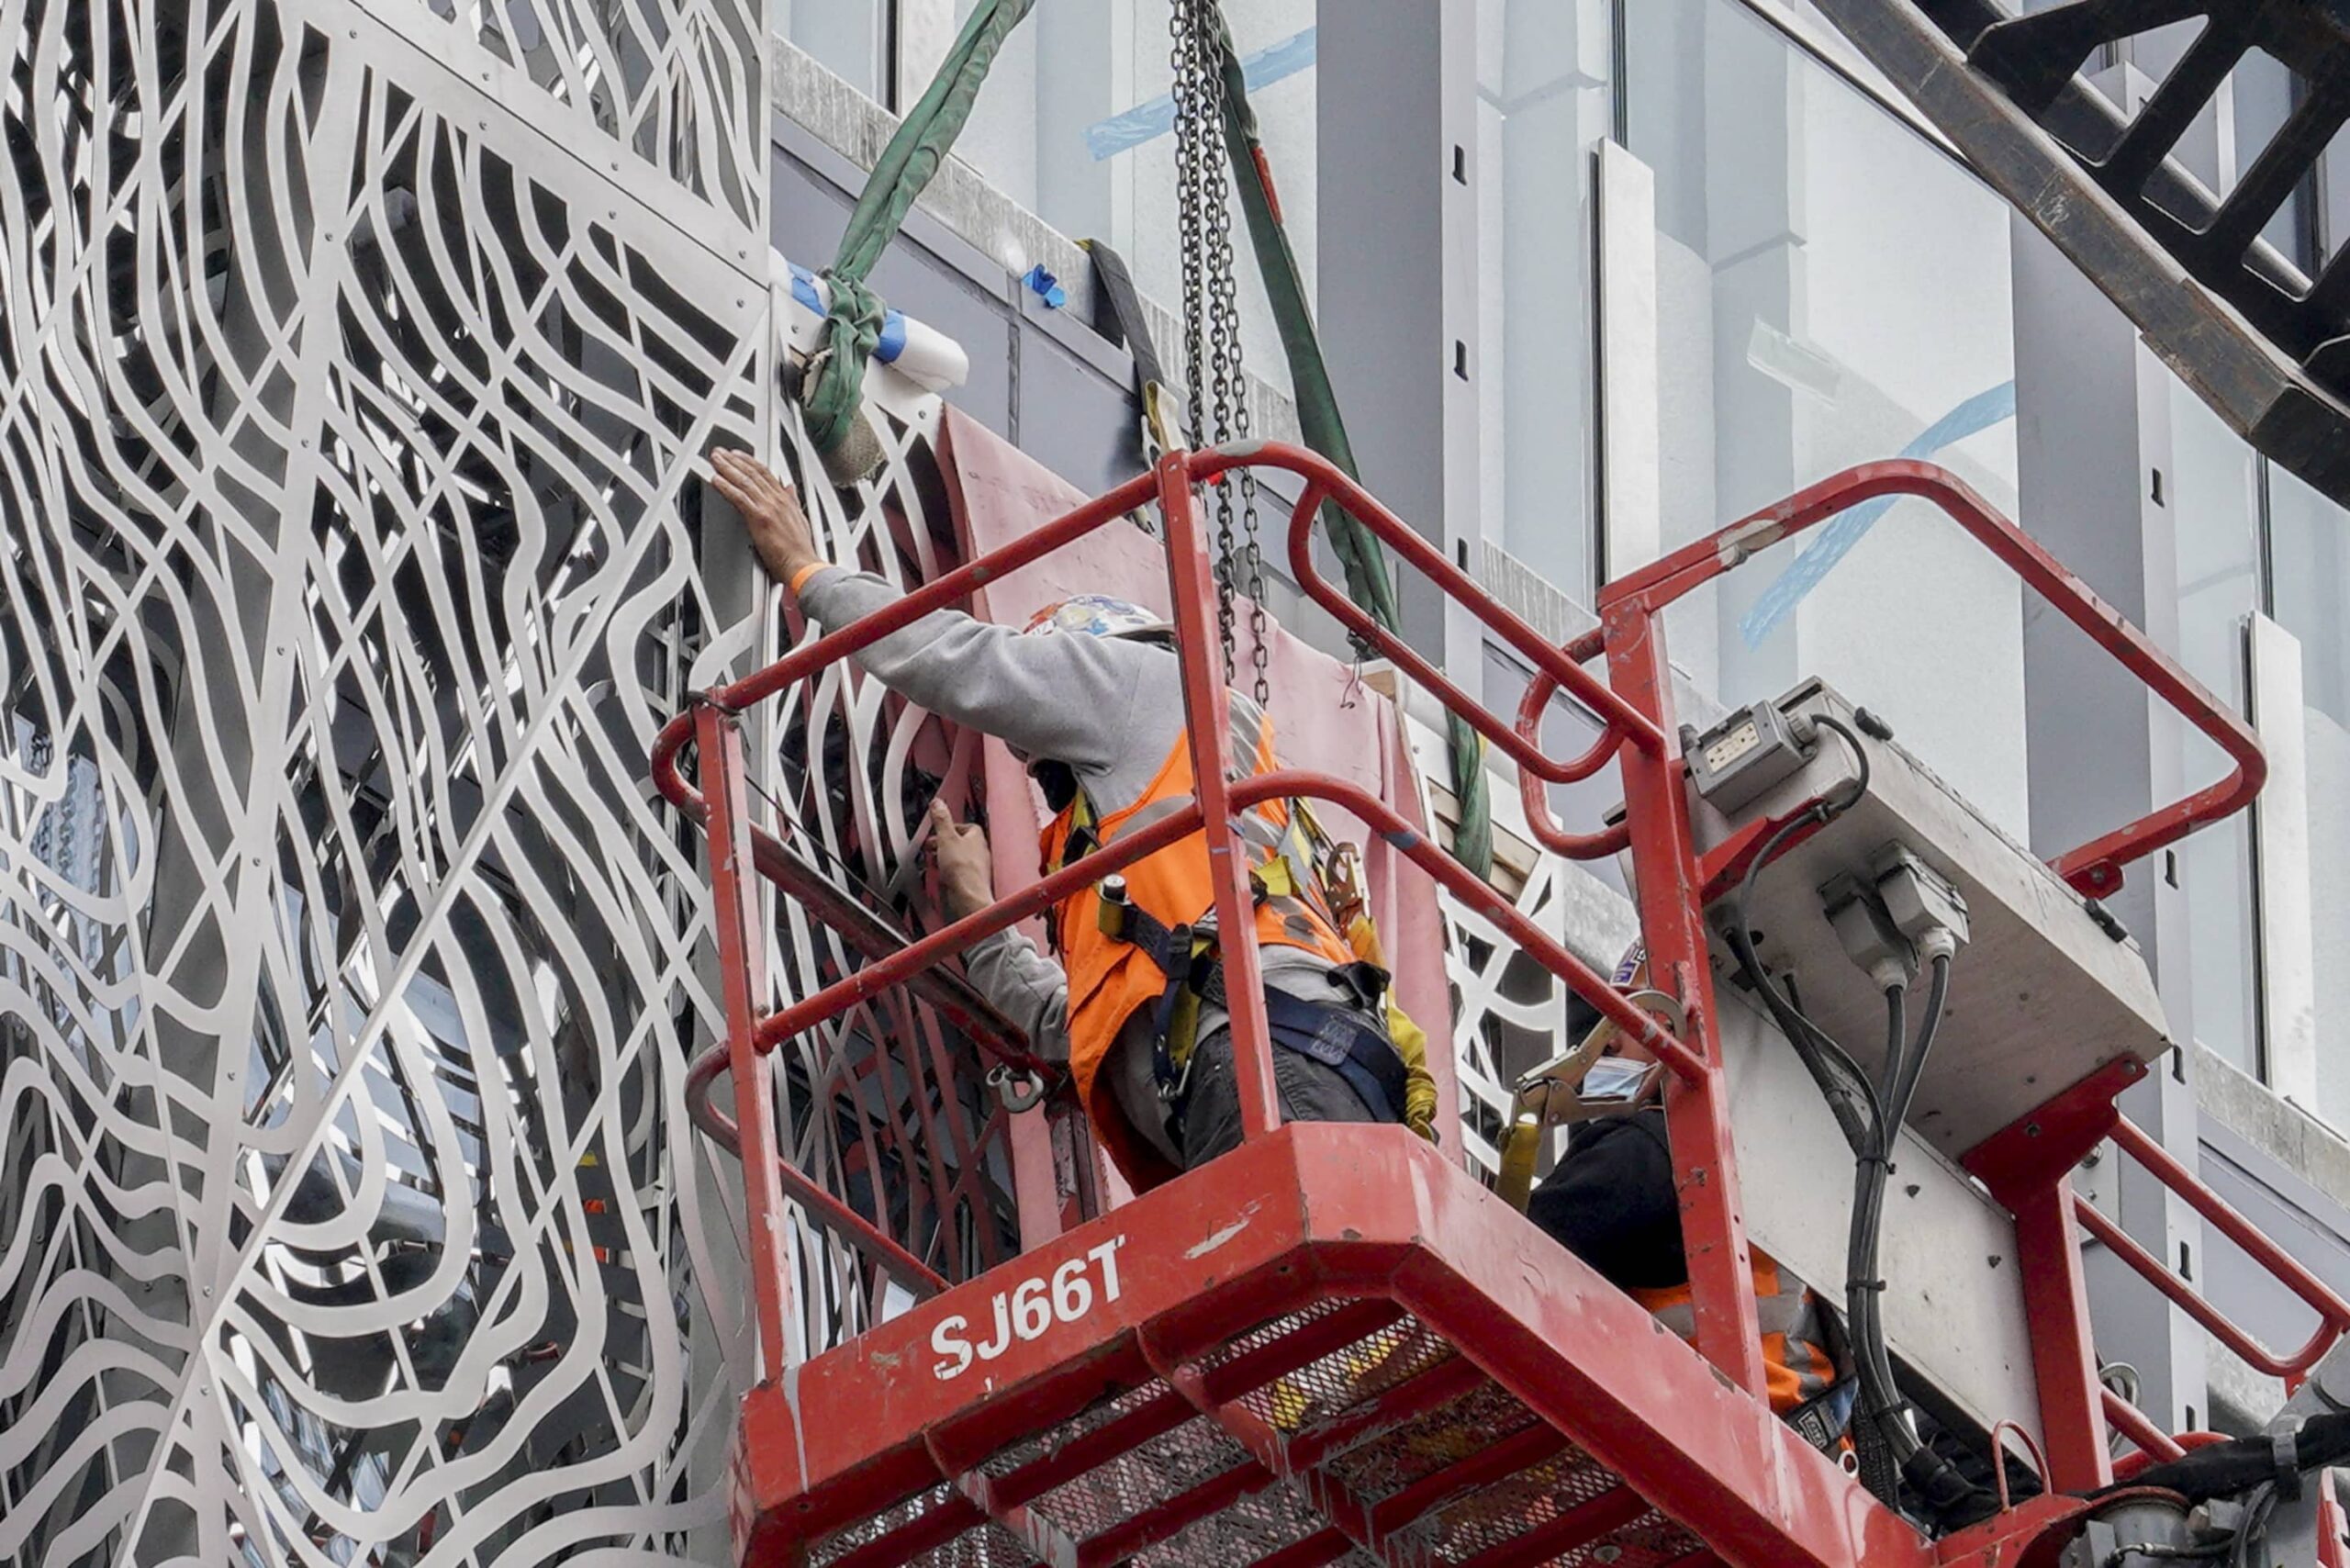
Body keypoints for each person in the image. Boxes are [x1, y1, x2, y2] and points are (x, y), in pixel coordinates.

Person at [709, 449, 1436, 1190]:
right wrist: (982, 920)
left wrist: (809, 573)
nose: (1039, 765)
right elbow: (1074, 1026)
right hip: (1279, 1078)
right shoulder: (1177, 838)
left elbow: (963, 663)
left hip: (1267, 1064)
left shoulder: (1145, 684)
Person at [1528, 957, 1852, 1451]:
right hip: (1805, 1455)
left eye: (1633, 1014)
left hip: (1721, 1446)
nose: (1610, 1042)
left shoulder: (1653, 1151)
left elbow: (1513, 1252)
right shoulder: (1792, 1186)